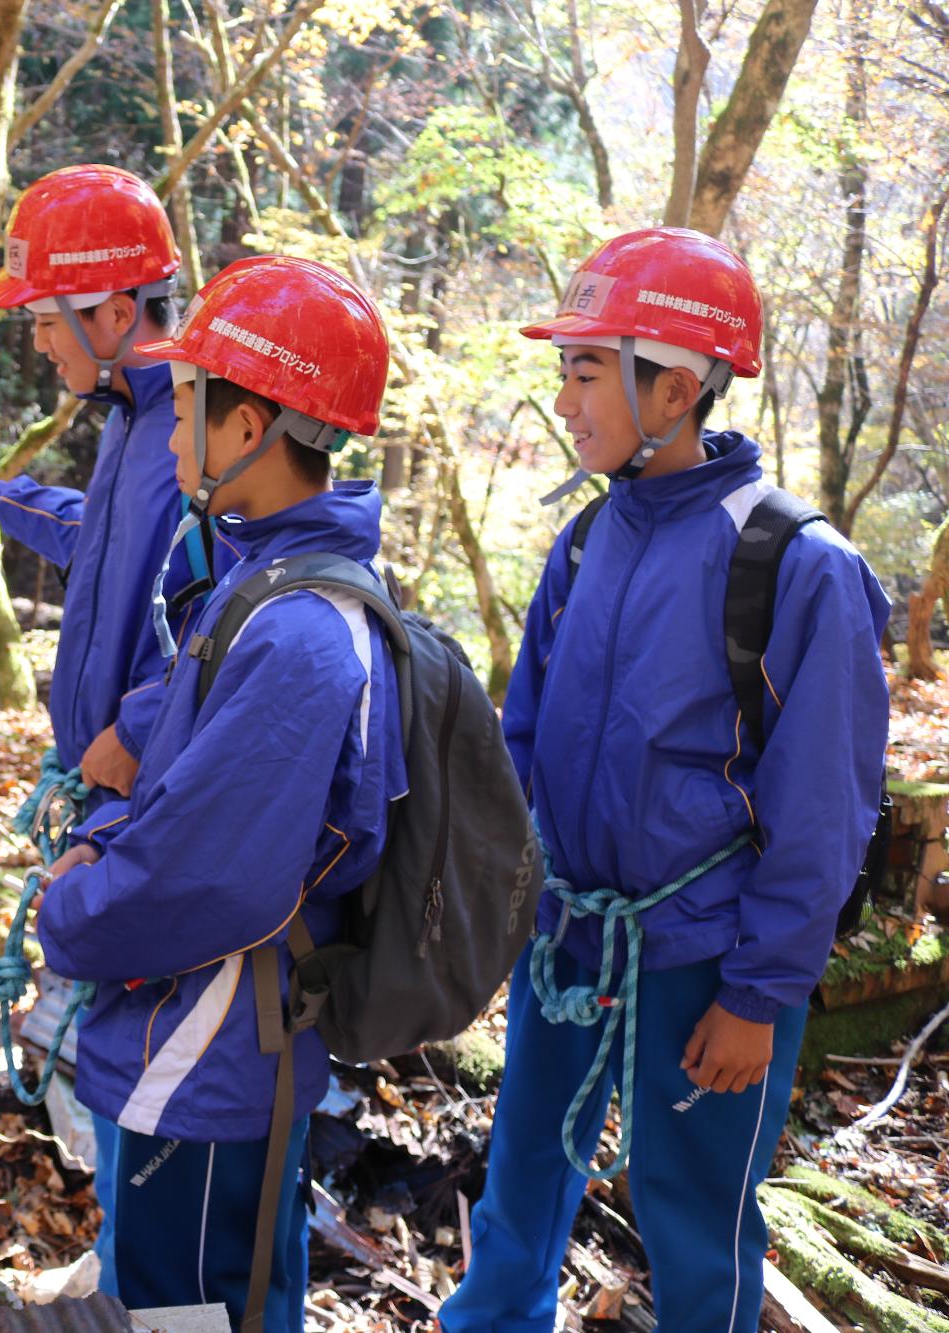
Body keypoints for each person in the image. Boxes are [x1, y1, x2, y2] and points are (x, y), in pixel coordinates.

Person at [438, 228, 891, 1333]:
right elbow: (524, 746)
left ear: (674, 386)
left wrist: (757, 993)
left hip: (706, 953)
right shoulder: (588, 541)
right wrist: (514, 912)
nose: (562, 397)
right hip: (573, 939)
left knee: (695, 1218)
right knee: (521, 1180)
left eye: (585, 370)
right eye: (563, 370)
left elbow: (823, 807)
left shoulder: (794, 563)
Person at [35, 255, 402, 1331]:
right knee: (218, 1292)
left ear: (249, 428)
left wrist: (73, 906)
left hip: (205, 1040)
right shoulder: (260, 576)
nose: (170, 422)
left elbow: (207, 873)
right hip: (206, 1030)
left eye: (189, 400)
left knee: (181, 1304)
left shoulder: (294, 629)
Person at [0, 164, 209, 857]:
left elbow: (229, 612)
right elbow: (107, 542)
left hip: (149, 800)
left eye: (48, 321)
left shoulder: (200, 423)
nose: (40, 343)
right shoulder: (129, 415)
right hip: (107, 794)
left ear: (115, 313)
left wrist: (137, 730)